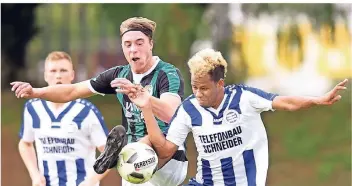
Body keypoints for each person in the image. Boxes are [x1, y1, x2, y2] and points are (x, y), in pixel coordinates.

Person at [126, 48, 349, 186]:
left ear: (219, 83)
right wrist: (147, 108)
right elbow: (165, 150)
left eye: (203, 88)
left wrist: (318, 100)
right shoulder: (188, 109)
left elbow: (285, 102)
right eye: (194, 87)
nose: (198, 93)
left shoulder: (244, 97)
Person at [11, 17, 188, 186]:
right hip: (132, 163)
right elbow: (72, 90)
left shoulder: (167, 73)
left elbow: (171, 114)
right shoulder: (119, 75)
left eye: (139, 43)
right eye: (127, 44)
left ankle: (118, 155)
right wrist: (35, 91)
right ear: (122, 47)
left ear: (151, 44)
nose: (133, 49)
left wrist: (145, 99)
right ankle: (118, 156)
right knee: (132, 156)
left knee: (141, 148)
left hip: (169, 159)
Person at [18, 51, 110, 186]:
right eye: (53, 71)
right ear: (45, 75)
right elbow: (25, 143)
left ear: (72, 75)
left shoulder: (86, 111)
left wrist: (91, 181)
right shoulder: (32, 108)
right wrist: (35, 175)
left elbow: (109, 153)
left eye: (63, 70)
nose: (58, 75)